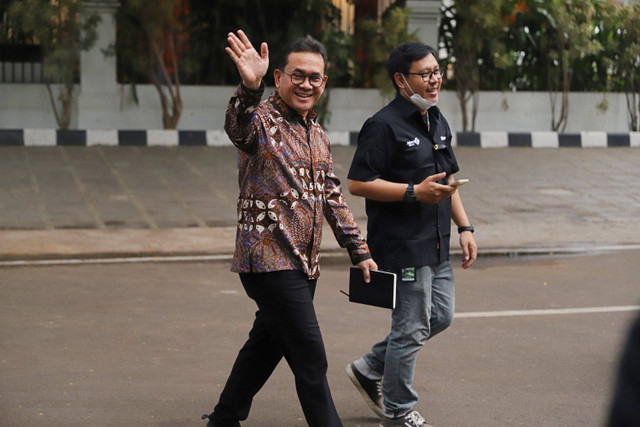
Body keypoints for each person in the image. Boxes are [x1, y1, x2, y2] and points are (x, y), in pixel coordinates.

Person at [201, 30, 378, 427]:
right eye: (297, 75)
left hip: (303, 263)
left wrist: (359, 249)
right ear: (278, 77)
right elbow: (237, 127)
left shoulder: (317, 133)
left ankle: (224, 417)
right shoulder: (261, 121)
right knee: (310, 357)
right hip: (267, 260)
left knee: (265, 344)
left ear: (324, 83)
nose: (306, 84)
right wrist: (249, 87)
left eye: (315, 77)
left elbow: (331, 195)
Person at [345, 41, 478, 427]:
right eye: (426, 74)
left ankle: (370, 367)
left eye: (437, 71)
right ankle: (398, 412)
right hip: (403, 245)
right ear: (402, 80)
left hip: (437, 243)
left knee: (441, 316)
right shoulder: (383, 125)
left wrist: (465, 227)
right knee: (411, 327)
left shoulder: (436, 119)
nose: (435, 80)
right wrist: (412, 192)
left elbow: (448, 180)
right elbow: (357, 183)